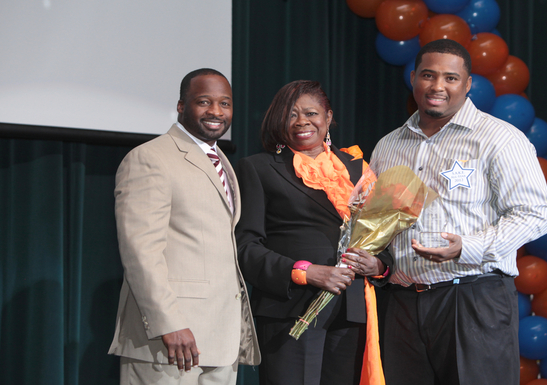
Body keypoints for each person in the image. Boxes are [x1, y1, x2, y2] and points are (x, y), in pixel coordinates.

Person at [369, 39, 547, 385]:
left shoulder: (499, 138)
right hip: (401, 303)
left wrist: (466, 247)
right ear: (413, 78)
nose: (438, 86)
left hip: (473, 297)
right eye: (428, 75)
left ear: (468, 85)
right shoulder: (388, 145)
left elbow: (535, 213)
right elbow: (378, 221)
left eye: (451, 78)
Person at [108, 68, 260, 385]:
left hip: (220, 342)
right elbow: (141, 252)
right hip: (169, 343)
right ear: (181, 106)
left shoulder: (222, 162)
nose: (216, 112)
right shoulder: (150, 158)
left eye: (225, 103)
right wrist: (169, 323)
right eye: (204, 102)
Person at [235, 80, 392, 385]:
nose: (302, 122)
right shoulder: (258, 168)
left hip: (351, 311)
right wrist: (305, 272)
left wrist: (379, 265)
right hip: (291, 309)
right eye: (291, 115)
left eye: (311, 113)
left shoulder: (357, 168)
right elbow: (246, 247)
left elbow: (383, 236)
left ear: (328, 117)